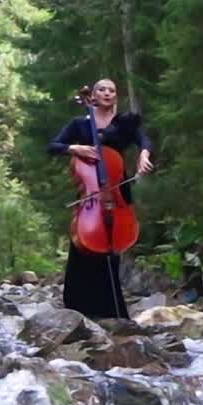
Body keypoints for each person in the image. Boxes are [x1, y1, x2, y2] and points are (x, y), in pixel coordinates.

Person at [47, 79, 154, 319]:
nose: (107, 93)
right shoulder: (80, 124)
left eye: (112, 90)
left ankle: (112, 312)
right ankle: (79, 312)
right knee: (82, 252)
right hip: (90, 193)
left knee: (112, 250)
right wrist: (75, 149)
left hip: (116, 191)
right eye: (102, 89)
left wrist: (144, 155)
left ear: (116, 96)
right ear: (93, 95)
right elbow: (53, 146)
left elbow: (143, 140)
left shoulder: (123, 123)